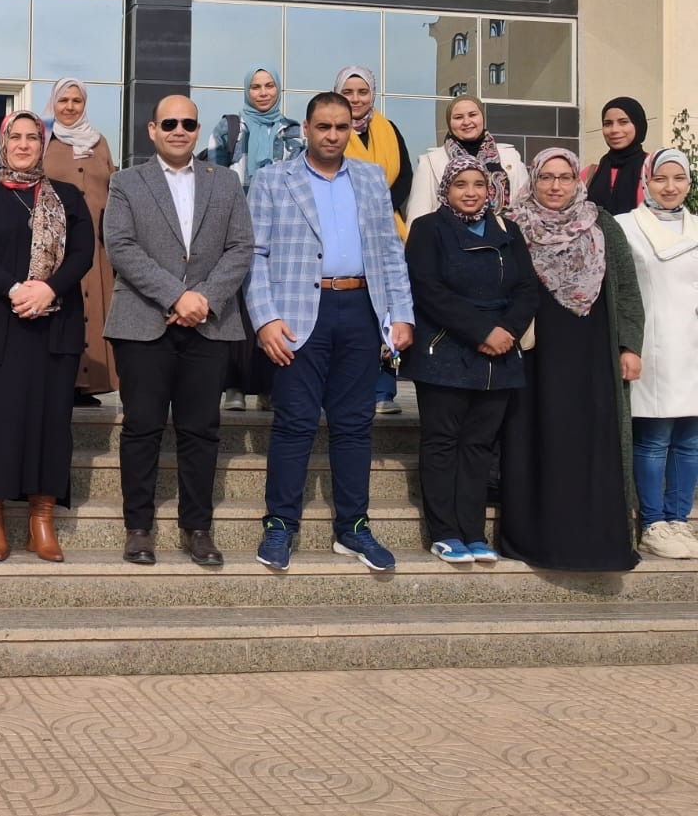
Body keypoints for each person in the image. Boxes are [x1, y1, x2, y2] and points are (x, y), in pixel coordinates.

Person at [247, 91, 415, 572]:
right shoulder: (273, 179)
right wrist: (265, 318)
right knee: (295, 422)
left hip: (361, 309)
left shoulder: (370, 177)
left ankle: (353, 526)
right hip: (299, 313)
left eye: (342, 127)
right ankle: (280, 523)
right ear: (306, 129)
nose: (333, 135)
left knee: (354, 425)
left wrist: (401, 313)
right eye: (323, 126)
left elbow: (389, 250)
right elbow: (254, 254)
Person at [105, 94, 253, 566]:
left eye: (188, 123)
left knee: (201, 430)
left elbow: (241, 247)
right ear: (152, 130)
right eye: (168, 123)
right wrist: (177, 296)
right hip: (143, 323)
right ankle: (139, 528)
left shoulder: (225, 181)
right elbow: (121, 247)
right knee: (142, 427)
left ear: (197, 130)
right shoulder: (126, 181)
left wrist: (202, 300)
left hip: (209, 325)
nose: (178, 131)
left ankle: (197, 527)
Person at [0, 111, 94, 562]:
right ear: (3, 142)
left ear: (43, 144)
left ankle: (41, 521)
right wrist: (16, 289)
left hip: (54, 325)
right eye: (15, 136)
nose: (24, 144)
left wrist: (48, 289)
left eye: (33, 137)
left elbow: (83, 253)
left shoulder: (68, 197)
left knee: (51, 423)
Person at [500, 148, 643, 572]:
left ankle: (597, 544)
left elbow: (627, 289)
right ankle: (537, 542)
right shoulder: (513, 224)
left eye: (564, 177)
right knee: (537, 437)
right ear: (534, 180)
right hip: (535, 356)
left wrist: (630, 345)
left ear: (577, 181)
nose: (555, 186)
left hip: (592, 353)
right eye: (546, 177)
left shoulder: (602, 224)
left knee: (591, 440)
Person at [402, 155, 539, 564]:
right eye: (461, 184)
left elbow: (527, 288)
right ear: (446, 189)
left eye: (479, 184)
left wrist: (506, 331)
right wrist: (481, 332)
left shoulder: (508, 230)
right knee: (442, 442)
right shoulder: (428, 229)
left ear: (491, 189)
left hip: (501, 352)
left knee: (479, 445)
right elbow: (427, 289)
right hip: (446, 348)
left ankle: (474, 533)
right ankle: (444, 532)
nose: (471, 192)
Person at [202, 65, 304, 411]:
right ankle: (233, 385)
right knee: (234, 307)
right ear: (247, 91)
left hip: (279, 231)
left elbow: (299, 181)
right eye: (256, 87)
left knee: (273, 305)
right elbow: (213, 180)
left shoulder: (292, 131)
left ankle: (268, 385)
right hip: (234, 228)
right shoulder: (229, 128)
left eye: (269, 85)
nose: (263, 92)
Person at [616, 150, 698, 559]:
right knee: (655, 436)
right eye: (660, 178)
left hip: (692, 345)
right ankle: (652, 523)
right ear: (646, 181)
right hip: (648, 344)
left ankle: (679, 519)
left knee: (690, 438)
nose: (670, 187)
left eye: (678, 178)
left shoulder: (697, 226)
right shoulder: (625, 226)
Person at [334, 65, 413, 415]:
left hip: (386, 230)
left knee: (385, 309)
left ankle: (383, 391)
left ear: (373, 94)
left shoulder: (389, 129)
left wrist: (379, 208)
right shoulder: (332, 131)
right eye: (348, 92)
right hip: (344, 230)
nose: (355, 99)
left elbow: (405, 177)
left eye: (362, 92)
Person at [41, 77, 118, 406]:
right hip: (57, 248)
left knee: (94, 311)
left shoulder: (99, 142)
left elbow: (113, 187)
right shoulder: (44, 140)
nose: (70, 107)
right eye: (63, 100)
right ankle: (63, 381)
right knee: (63, 311)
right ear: (53, 103)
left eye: (77, 101)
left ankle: (88, 385)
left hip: (97, 247)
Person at [404, 95, 530, 224]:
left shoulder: (511, 156)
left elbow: (525, 207)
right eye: (458, 117)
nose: (466, 122)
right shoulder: (429, 162)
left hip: (504, 233)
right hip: (448, 234)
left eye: (472, 115)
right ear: (449, 123)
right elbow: (417, 216)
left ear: (482, 117)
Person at [585, 97, 649, 214]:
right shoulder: (590, 174)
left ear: (638, 124)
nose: (614, 130)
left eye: (623, 122)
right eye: (608, 124)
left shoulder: (654, 169)